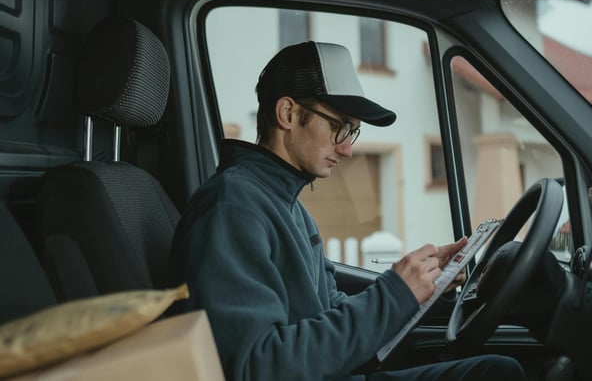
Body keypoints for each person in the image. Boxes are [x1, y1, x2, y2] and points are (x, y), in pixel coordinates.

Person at [168, 41, 524, 380]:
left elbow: (330, 314)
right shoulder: (233, 207)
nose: (347, 150)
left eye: (351, 133)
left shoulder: (285, 205)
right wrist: (395, 293)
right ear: (288, 113)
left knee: (497, 370)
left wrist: (424, 288)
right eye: (339, 127)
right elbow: (258, 367)